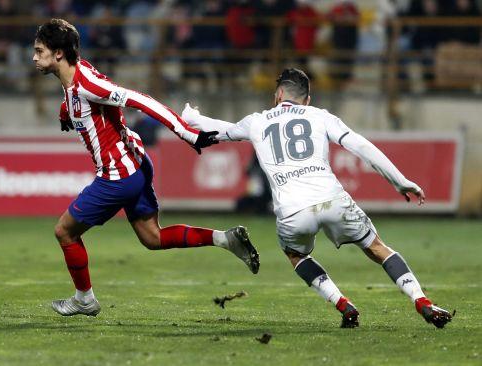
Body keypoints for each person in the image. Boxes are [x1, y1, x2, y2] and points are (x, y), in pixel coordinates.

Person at [182, 68, 453, 329]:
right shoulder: (319, 116)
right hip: (332, 200)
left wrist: (194, 118)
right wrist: (400, 181)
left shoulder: (257, 121)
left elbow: (220, 130)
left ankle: (343, 304)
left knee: (296, 255)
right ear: (307, 99)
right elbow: (360, 145)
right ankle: (421, 300)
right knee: (376, 247)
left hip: (292, 211)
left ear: (278, 94)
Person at [32, 18, 260, 317]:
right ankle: (225, 239)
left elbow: (140, 100)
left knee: (65, 232)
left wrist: (186, 132)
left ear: (58, 53)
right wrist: (67, 112)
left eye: (39, 50)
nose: (34, 57)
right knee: (152, 237)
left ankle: (84, 298)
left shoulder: (88, 84)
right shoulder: (78, 75)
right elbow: (82, 100)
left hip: (118, 176)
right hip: (137, 164)